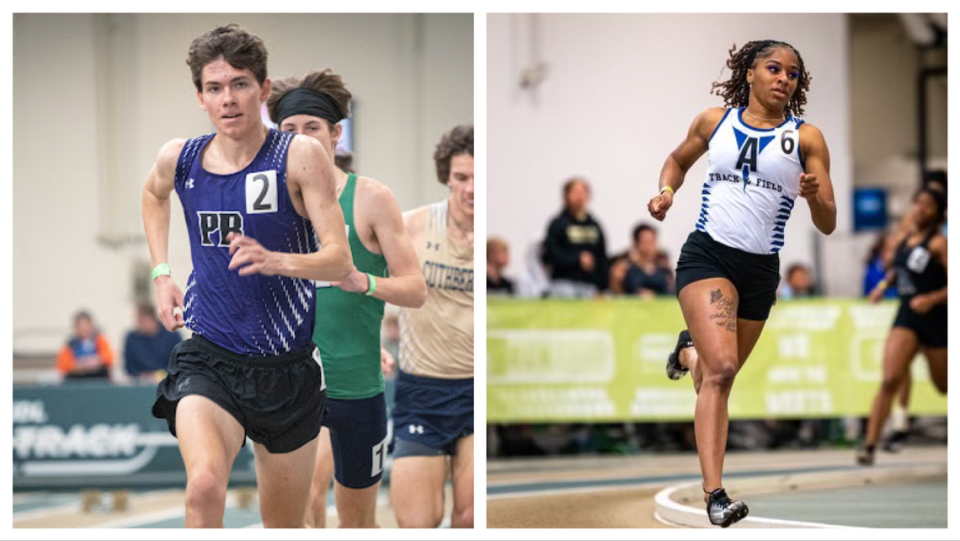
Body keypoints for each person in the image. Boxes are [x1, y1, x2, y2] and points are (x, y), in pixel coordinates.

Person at [142, 25, 351, 528]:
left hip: (288, 369)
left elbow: (340, 260)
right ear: (200, 97)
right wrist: (162, 273)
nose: (228, 99)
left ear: (263, 90)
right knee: (204, 487)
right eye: (215, 88)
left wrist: (279, 260)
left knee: (282, 524)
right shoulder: (181, 157)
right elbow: (152, 196)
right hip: (210, 356)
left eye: (239, 84)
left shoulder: (297, 156)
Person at [648, 40, 836, 527]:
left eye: (793, 75)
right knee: (724, 369)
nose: (783, 79)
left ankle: (687, 352)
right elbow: (677, 160)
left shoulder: (807, 138)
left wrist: (815, 198)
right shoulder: (716, 122)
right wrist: (666, 192)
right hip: (708, 254)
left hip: (760, 270)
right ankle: (715, 495)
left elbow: (829, 223)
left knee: (711, 372)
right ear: (750, 72)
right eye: (774, 68)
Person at [266, 68, 428, 528]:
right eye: (289, 131)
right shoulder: (269, 201)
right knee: (304, 507)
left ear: (336, 134)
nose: (300, 140)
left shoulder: (371, 198)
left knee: (358, 523)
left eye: (311, 129)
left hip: (356, 384)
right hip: (291, 384)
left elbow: (415, 289)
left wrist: (365, 284)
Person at [392, 124, 474, 528]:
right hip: (422, 390)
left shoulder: (494, 240)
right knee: (418, 523)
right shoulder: (412, 227)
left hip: (477, 389)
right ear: (447, 177)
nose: (471, 189)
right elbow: (354, 281)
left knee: (471, 516)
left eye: (480, 178)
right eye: (462, 178)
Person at [858, 186, 947, 466]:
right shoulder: (905, 239)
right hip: (907, 316)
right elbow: (898, 271)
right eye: (917, 203)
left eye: (928, 205)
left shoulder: (939, 243)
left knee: (944, 385)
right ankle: (869, 445)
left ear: (937, 212)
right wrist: (883, 286)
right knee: (890, 378)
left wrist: (932, 299)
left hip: (937, 320)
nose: (921, 209)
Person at [543, 177, 608, 297]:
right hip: (563, 283)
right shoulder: (558, 224)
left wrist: (602, 286)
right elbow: (550, 254)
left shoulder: (594, 225)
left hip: (590, 284)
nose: (579, 197)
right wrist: (577, 259)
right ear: (566, 196)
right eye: (575, 192)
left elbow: (602, 257)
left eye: (583, 193)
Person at [124, 302, 183, 381]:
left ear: (152, 318)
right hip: (140, 384)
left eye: (142, 320)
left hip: (170, 382)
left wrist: (161, 374)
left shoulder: (172, 336)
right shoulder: (132, 338)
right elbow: (129, 367)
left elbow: (179, 363)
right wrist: (143, 376)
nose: (139, 324)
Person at [57, 310, 114, 381]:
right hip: (77, 379)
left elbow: (109, 357)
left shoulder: (100, 340)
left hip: (97, 377)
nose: (83, 328)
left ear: (91, 325)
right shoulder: (70, 344)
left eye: (86, 325)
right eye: (80, 325)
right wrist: (79, 365)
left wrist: (96, 360)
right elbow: (63, 365)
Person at [623, 223, 673, 297]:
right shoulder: (629, 269)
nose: (649, 247)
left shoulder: (664, 270)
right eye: (644, 242)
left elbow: (670, 292)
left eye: (652, 242)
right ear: (636, 244)